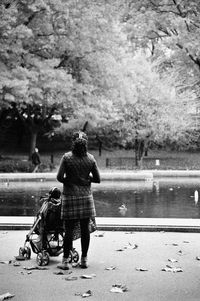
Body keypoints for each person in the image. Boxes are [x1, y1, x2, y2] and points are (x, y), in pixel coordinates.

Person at [56, 131, 101, 270]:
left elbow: (59, 177)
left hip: (70, 196)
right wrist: (86, 179)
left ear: (73, 142)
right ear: (85, 143)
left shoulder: (67, 157)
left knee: (68, 230)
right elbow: (98, 179)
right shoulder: (91, 159)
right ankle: (84, 260)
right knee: (84, 229)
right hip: (86, 197)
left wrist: (68, 181)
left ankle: (65, 261)